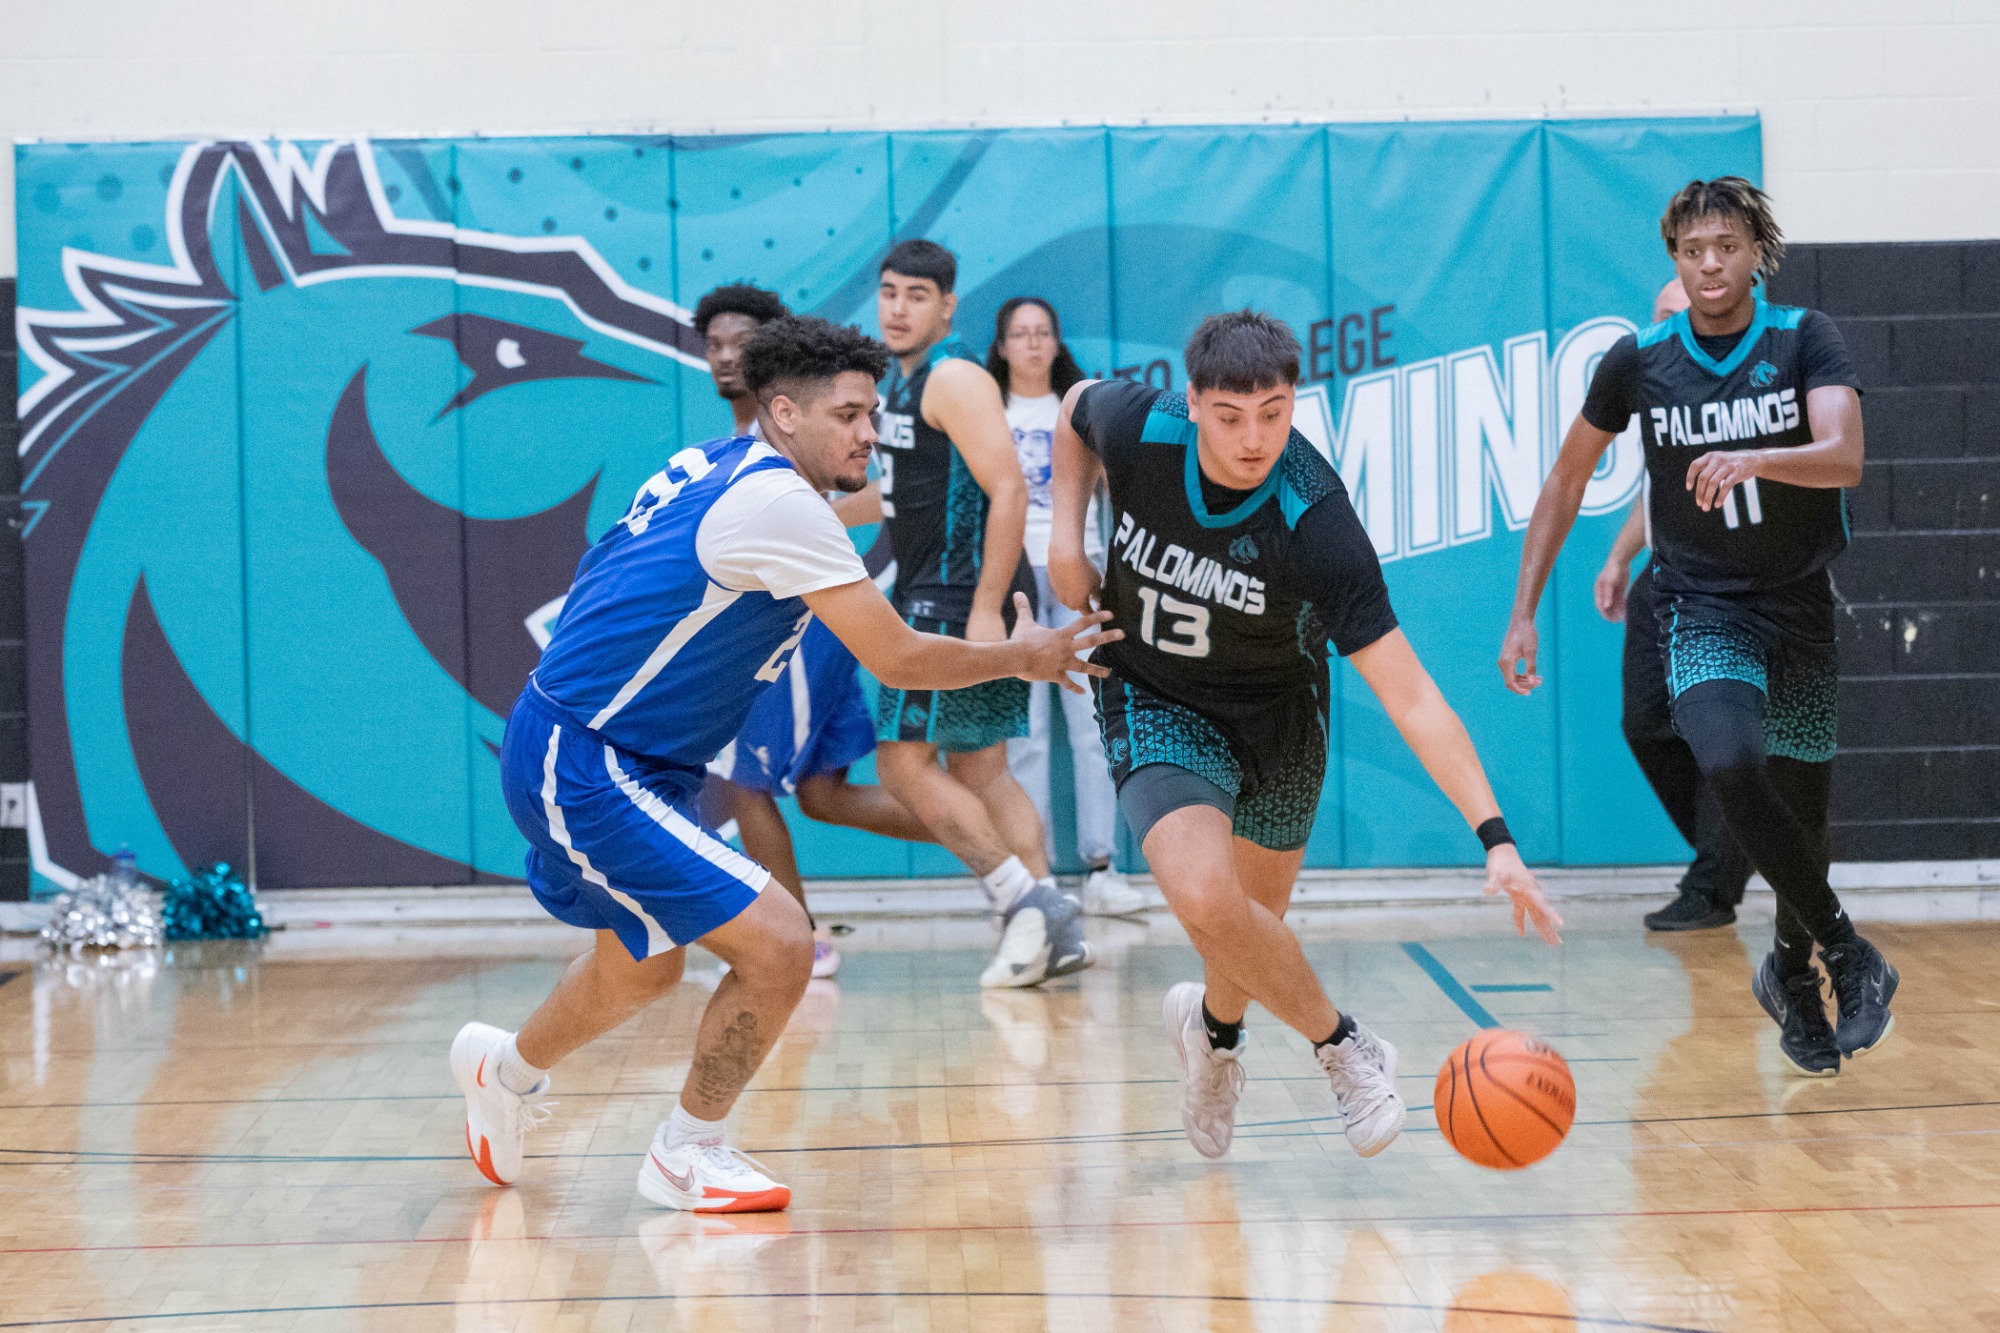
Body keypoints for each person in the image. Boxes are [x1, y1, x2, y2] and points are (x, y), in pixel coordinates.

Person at [452, 316, 1119, 1212]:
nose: (869, 432)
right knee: (780, 942)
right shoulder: (780, 506)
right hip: (588, 758)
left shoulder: (718, 462)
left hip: (619, 751)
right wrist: (1020, 655)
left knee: (642, 966)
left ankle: (501, 1070)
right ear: (784, 412)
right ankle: (686, 1150)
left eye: (873, 412)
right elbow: (898, 658)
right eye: (847, 415)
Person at [1047, 310, 1563, 1163]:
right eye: (1229, 416)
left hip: (1280, 717)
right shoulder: (1143, 426)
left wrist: (1496, 839)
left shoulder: (1317, 521)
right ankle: (1345, 1046)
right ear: (1192, 402)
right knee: (1205, 897)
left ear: (1294, 401)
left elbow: (1413, 697)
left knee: (1247, 929)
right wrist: (1066, 540)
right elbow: (1073, 408)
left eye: (1274, 413)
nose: (1254, 438)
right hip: (1154, 695)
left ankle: (1212, 1037)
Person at [1500, 177, 1897, 1078]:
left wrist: (1755, 455)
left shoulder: (1806, 337)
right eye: (1692, 251)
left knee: (1803, 814)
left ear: (1757, 252)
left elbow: (1845, 455)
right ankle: (1846, 952)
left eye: (1726, 247)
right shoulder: (1639, 360)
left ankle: (1790, 973)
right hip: (1702, 604)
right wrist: (1523, 612)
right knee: (1727, 757)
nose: (1710, 264)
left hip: (1798, 605)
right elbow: (1565, 479)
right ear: (1674, 260)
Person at [847, 239, 1093, 988]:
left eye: (916, 295)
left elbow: (1010, 487)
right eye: (889, 291)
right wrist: (812, 514)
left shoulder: (953, 377)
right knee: (982, 767)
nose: (897, 308)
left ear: (948, 306)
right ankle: (1054, 926)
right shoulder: (901, 383)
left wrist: (985, 611)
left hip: (954, 597)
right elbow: (897, 494)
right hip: (942, 588)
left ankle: (1025, 904)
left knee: (900, 762)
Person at [693, 283, 941, 979]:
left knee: (744, 784)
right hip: (815, 625)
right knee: (823, 795)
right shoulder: (748, 441)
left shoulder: (794, 434)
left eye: (743, 343)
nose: (727, 356)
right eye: (714, 344)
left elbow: (883, 494)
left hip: (798, 632)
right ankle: (1001, 846)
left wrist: (796, 528)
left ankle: (799, 944)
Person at [1593, 277, 1754, 932]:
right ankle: (1742, 844)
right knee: (1645, 721)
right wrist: (1619, 557)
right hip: (1663, 575)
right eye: (1657, 317)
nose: (1661, 330)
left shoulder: (1740, 397)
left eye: (1675, 317)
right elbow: (1657, 489)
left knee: (1716, 729)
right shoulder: (1656, 392)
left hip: (1726, 583)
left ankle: (1715, 880)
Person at [987, 296, 1144, 917]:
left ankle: (1103, 868)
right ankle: (1037, 875)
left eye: (1042, 332)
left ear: (1056, 343)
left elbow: (1120, 490)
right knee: (1025, 735)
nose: (1031, 343)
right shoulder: (988, 411)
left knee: (1092, 728)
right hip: (1015, 582)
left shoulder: (1080, 410)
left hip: (1080, 576)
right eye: (1019, 333)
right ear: (1002, 347)